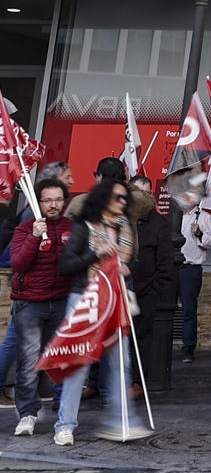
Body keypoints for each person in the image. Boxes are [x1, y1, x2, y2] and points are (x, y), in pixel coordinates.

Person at [54, 178, 145, 444]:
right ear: (103, 198)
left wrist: (128, 269)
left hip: (115, 299)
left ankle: (120, 422)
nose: (123, 202)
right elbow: (66, 266)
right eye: (117, 197)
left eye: (125, 197)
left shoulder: (127, 227)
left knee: (121, 363)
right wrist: (97, 254)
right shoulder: (83, 228)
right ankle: (65, 425)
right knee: (79, 365)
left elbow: (134, 261)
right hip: (85, 300)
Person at [8, 181, 73, 436]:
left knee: (63, 360)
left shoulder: (72, 228)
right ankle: (27, 414)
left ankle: (64, 414)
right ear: (38, 203)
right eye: (47, 200)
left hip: (61, 301)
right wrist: (35, 237)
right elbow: (19, 264)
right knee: (28, 361)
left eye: (58, 199)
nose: (54, 205)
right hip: (30, 304)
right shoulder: (25, 229)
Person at [124, 175, 174, 399]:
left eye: (144, 193)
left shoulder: (158, 224)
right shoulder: (120, 219)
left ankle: (137, 381)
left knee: (142, 338)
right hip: (120, 287)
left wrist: (156, 288)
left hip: (145, 291)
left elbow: (165, 261)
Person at [175, 190, 211, 365]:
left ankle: (188, 349)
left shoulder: (204, 217)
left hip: (190, 269)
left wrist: (200, 234)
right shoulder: (173, 215)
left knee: (188, 310)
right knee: (165, 309)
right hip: (171, 268)